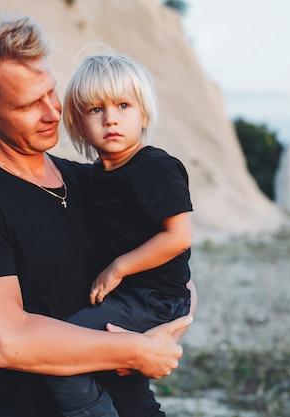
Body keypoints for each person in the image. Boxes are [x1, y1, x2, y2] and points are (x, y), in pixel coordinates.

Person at [0, 12, 195, 417]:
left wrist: (169, 331)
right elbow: (4, 340)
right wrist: (135, 348)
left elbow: (176, 270)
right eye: (28, 104)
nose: (52, 112)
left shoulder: (89, 178)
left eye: (51, 92)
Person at [41, 52, 193, 416]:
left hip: (153, 299)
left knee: (59, 352)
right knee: (111, 372)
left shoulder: (154, 167)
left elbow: (178, 237)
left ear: (143, 112)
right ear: (78, 123)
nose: (111, 118)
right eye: (95, 110)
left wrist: (118, 268)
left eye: (123, 105)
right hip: (130, 299)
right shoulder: (94, 177)